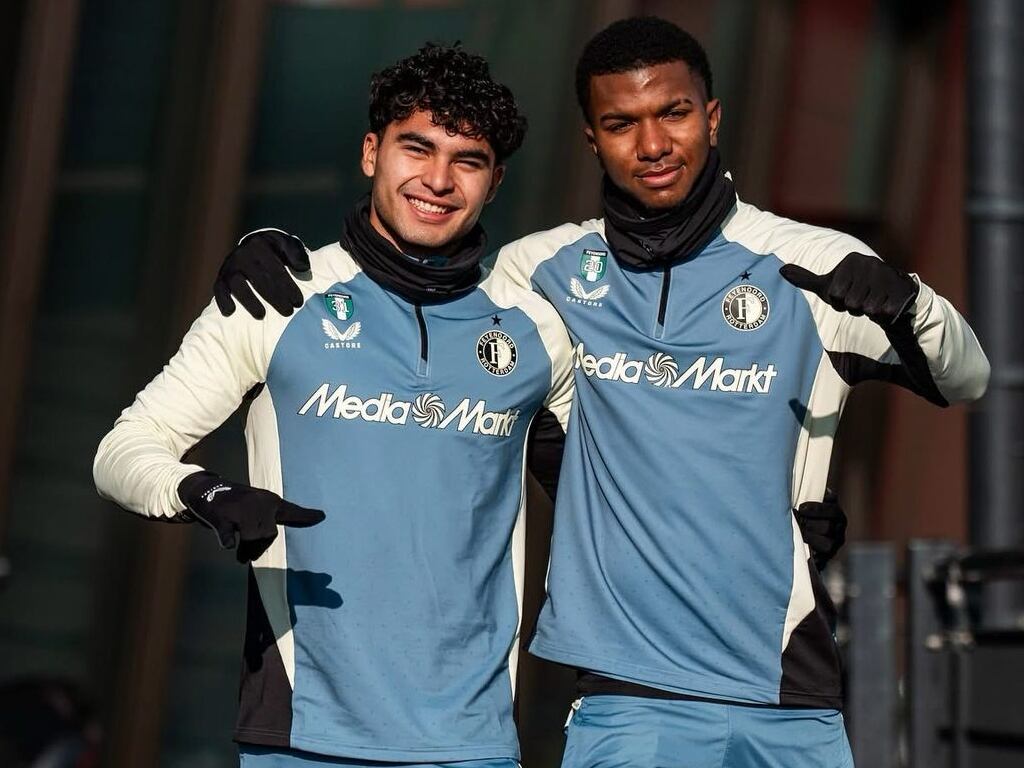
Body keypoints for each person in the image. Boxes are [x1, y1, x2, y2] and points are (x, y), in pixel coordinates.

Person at [208, 18, 945, 768]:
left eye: (674, 113)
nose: (652, 144)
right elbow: (417, 306)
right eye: (622, 123)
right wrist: (274, 250)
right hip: (621, 693)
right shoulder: (533, 275)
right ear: (593, 137)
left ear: (713, 117)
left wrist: (912, 308)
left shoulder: (807, 261)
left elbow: (966, 376)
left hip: (788, 686)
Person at [94, 44, 577, 768]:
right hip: (301, 735)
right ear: (371, 152)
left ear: (495, 181)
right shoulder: (275, 294)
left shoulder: (538, 329)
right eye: (417, 148)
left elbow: (613, 497)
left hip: (472, 744)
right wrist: (203, 492)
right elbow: (124, 449)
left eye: (468, 161)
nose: (438, 180)